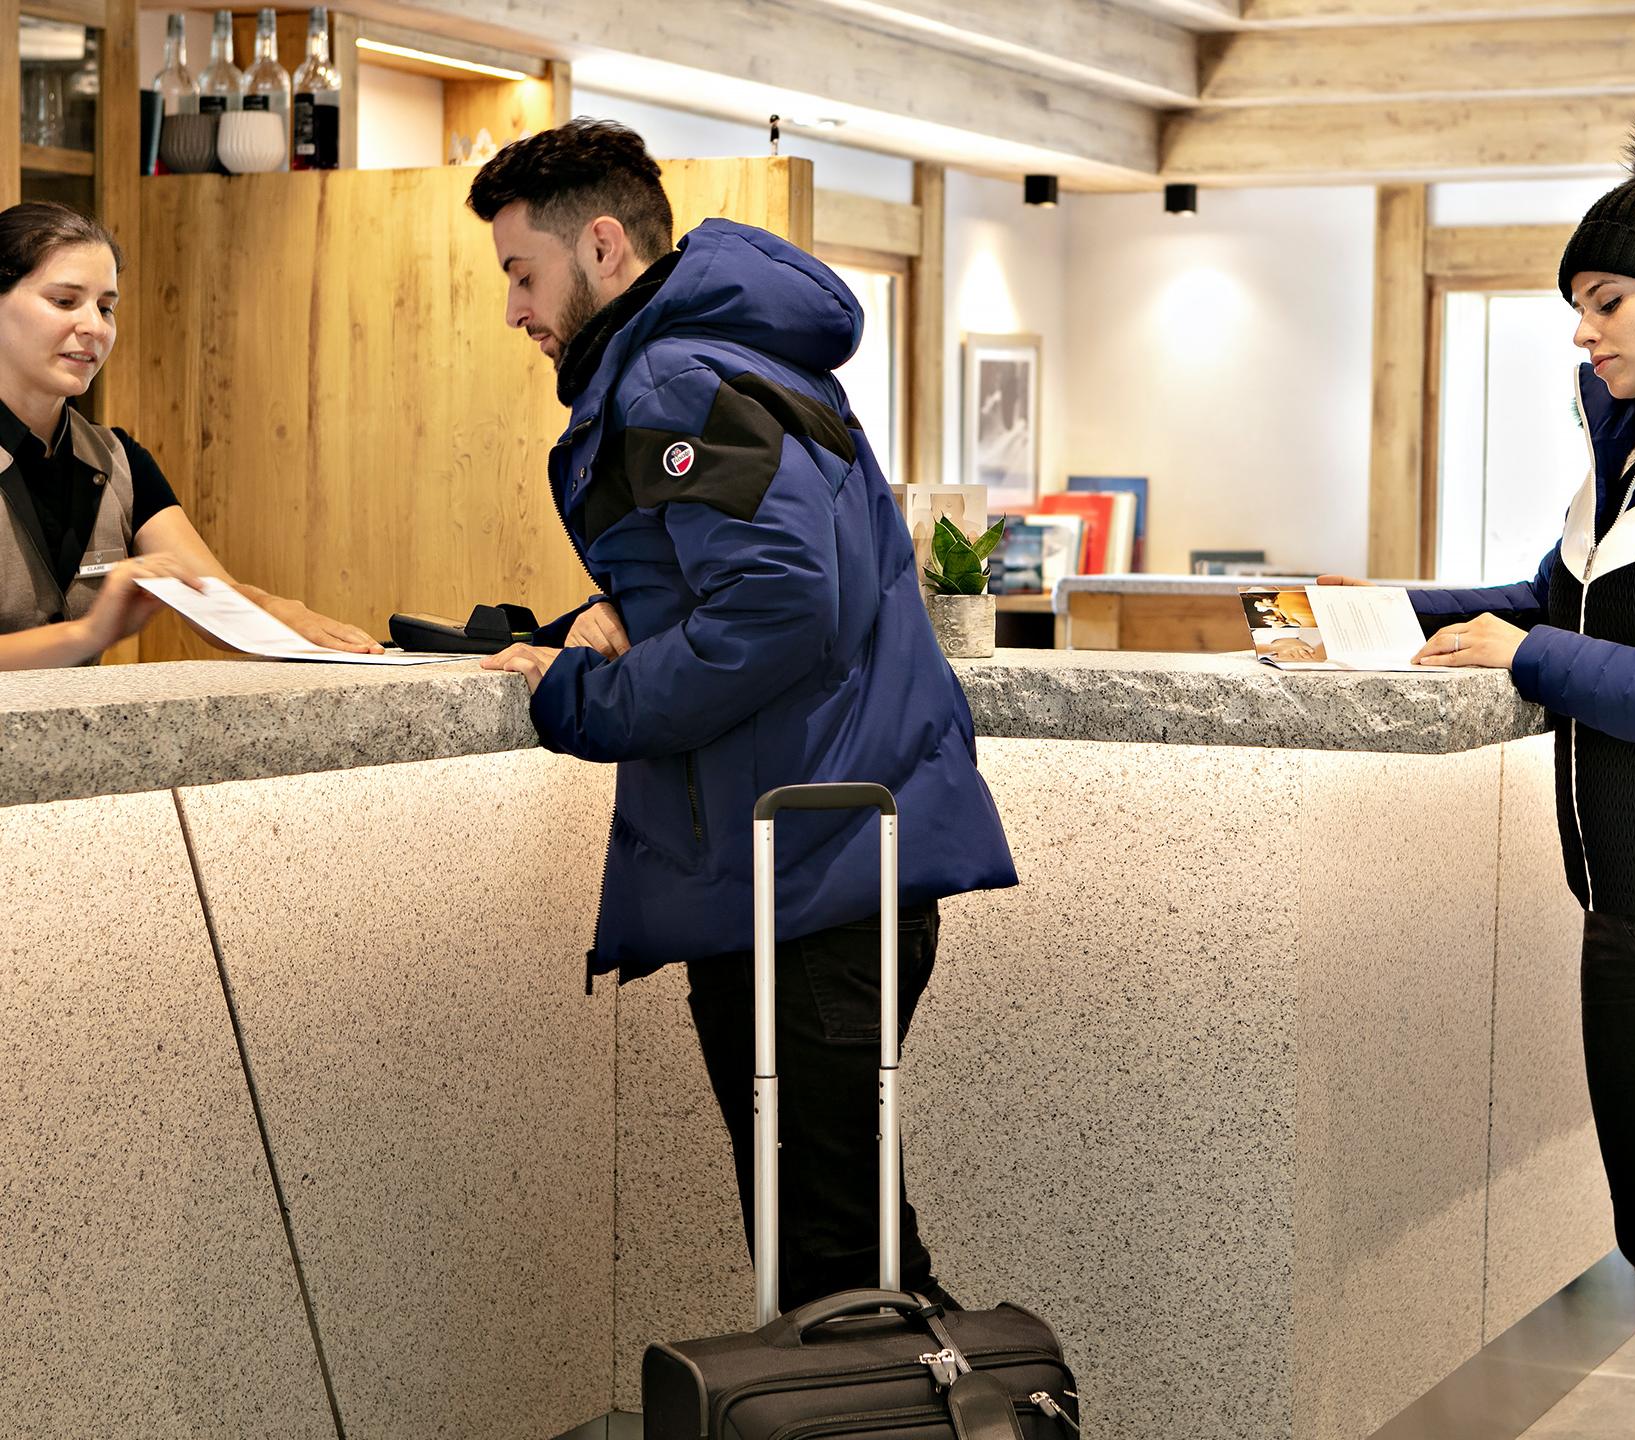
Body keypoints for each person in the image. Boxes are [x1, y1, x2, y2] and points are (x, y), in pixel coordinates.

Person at [466, 120, 1017, 1310]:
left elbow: (777, 607)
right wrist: (611, 614)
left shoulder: (673, 375)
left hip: (805, 872)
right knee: (845, 1255)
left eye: (523, 273)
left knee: (837, 1274)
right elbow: (739, 573)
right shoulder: (730, 354)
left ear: (601, 245)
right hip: (831, 855)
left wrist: (581, 697)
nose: (515, 309)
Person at [1334, 103, 1635, 1438]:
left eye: (1605, 303)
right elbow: (1552, 603)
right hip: (1624, 910)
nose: (1582, 330)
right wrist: (1380, 607)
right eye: (1575, 307)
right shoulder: (1626, 464)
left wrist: (1519, 661)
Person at [0, 202, 381, 668]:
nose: (94, 327)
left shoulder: (116, 458)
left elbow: (211, 597)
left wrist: (277, 610)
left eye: (106, 307)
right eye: (64, 301)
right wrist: (88, 633)